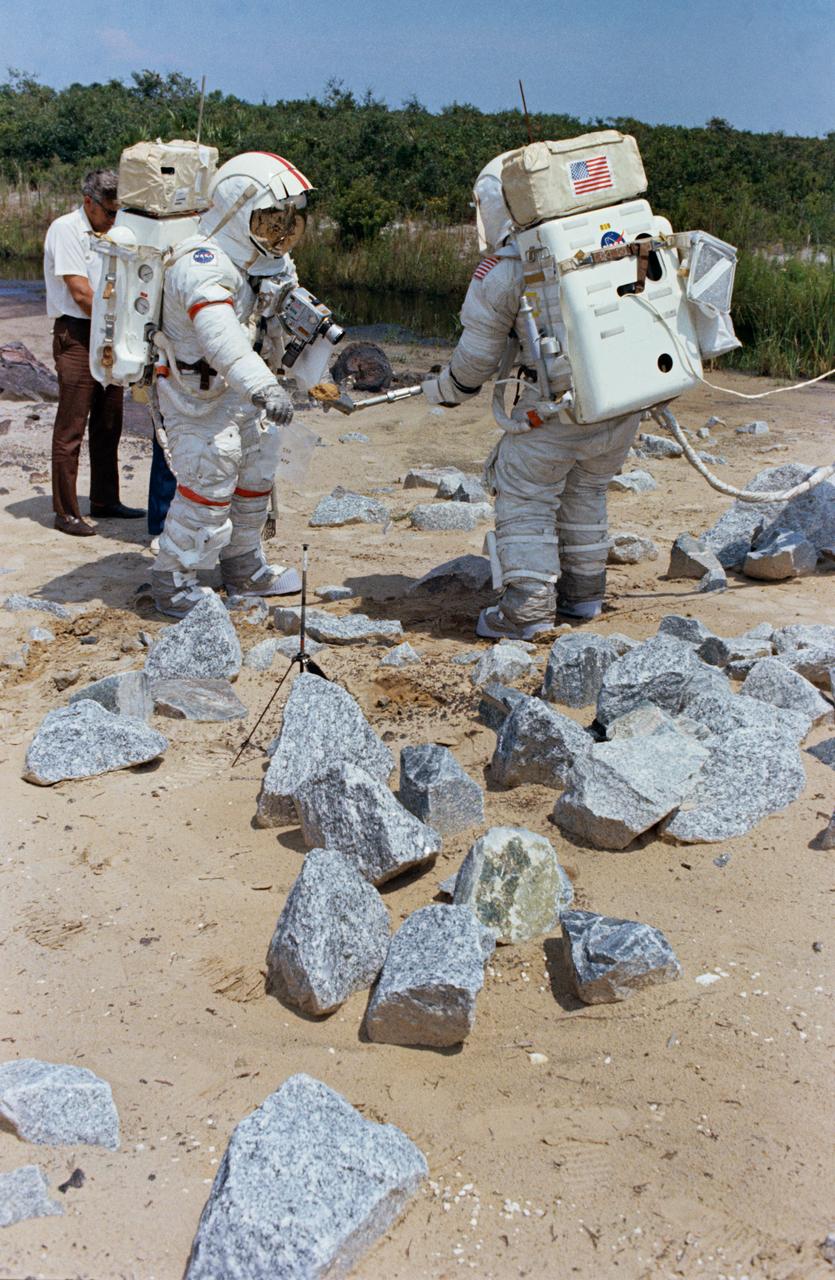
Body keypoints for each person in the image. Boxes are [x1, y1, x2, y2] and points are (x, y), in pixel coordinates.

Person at [421, 155, 641, 641]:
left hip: (559, 407)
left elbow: (476, 362)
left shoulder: (507, 266)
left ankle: (528, 608)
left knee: (525, 491)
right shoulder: (617, 238)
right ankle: (584, 593)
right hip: (623, 403)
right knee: (586, 491)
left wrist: (443, 389)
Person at [149, 151, 311, 617]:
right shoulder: (200, 264)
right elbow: (222, 339)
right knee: (211, 470)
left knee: (258, 467)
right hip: (193, 394)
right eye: (270, 220)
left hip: (239, 389)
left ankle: (243, 565)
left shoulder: (265, 261)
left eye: (288, 222)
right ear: (237, 213)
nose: (280, 232)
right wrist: (265, 388)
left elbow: (279, 317)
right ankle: (173, 580)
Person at [43, 170, 145, 536]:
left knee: (109, 421)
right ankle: (66, 512)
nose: (115, 219)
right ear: (89, 202)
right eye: (110, 212)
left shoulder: (116, 231)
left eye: (119, 212)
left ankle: (105, 499)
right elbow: (81, 293)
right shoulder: (66, 229)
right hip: (77, 332)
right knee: (71, 426)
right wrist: (122, 321)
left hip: (109, 331)